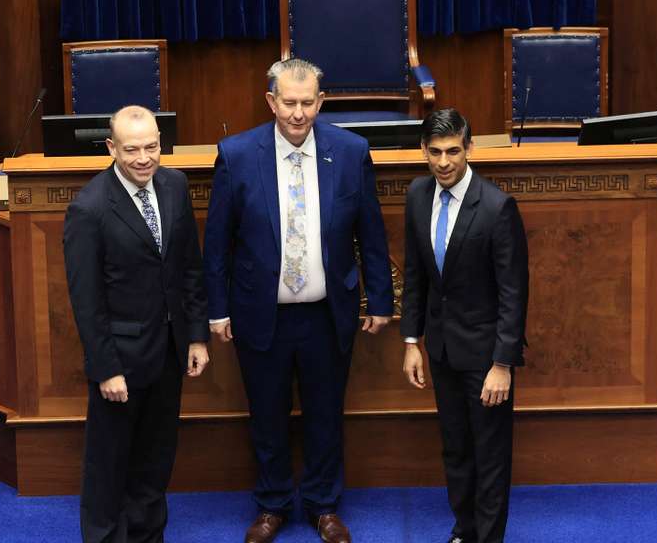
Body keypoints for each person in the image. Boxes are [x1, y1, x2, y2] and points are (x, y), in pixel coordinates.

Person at [203, 59, 394, 543]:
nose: (297, 113)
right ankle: (271, 506)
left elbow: (370, 234)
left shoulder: (351, 152)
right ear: (271, 101)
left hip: (328, 313)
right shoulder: (237, 154)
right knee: (266, 415)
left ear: (321, 102)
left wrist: (381, 300)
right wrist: (218, 308)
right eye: (288, 102)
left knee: (326, 414)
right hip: (258, 313)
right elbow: (218, 244)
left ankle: (323, 505)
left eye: (308, 103)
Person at [63, 105, 210, 543]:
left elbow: (189, 268)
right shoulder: (89, 208)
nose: (144, 158)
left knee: (155, 458)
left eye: (151, 147)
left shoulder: (175, 185)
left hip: (168, 351)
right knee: (108, 467)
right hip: (120, 361)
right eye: (132, 150)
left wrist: (197, 336)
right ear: (111, 148)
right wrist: (106, 367)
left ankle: (148, 537)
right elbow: (85, 300)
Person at [400, 108, 529, 543]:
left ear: (469, 148)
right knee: (455, 450)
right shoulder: (418, 195)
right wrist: (411, 341)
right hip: (440, 351)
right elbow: (416, 275)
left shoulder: (497, 207)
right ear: (423, 150)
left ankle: (488, 538)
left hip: (485, 356)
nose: (444, 162)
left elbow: (514, 293)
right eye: (434, 152)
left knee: (489, 455)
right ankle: (465, 530)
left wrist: (502, 364)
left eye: (453, 151)